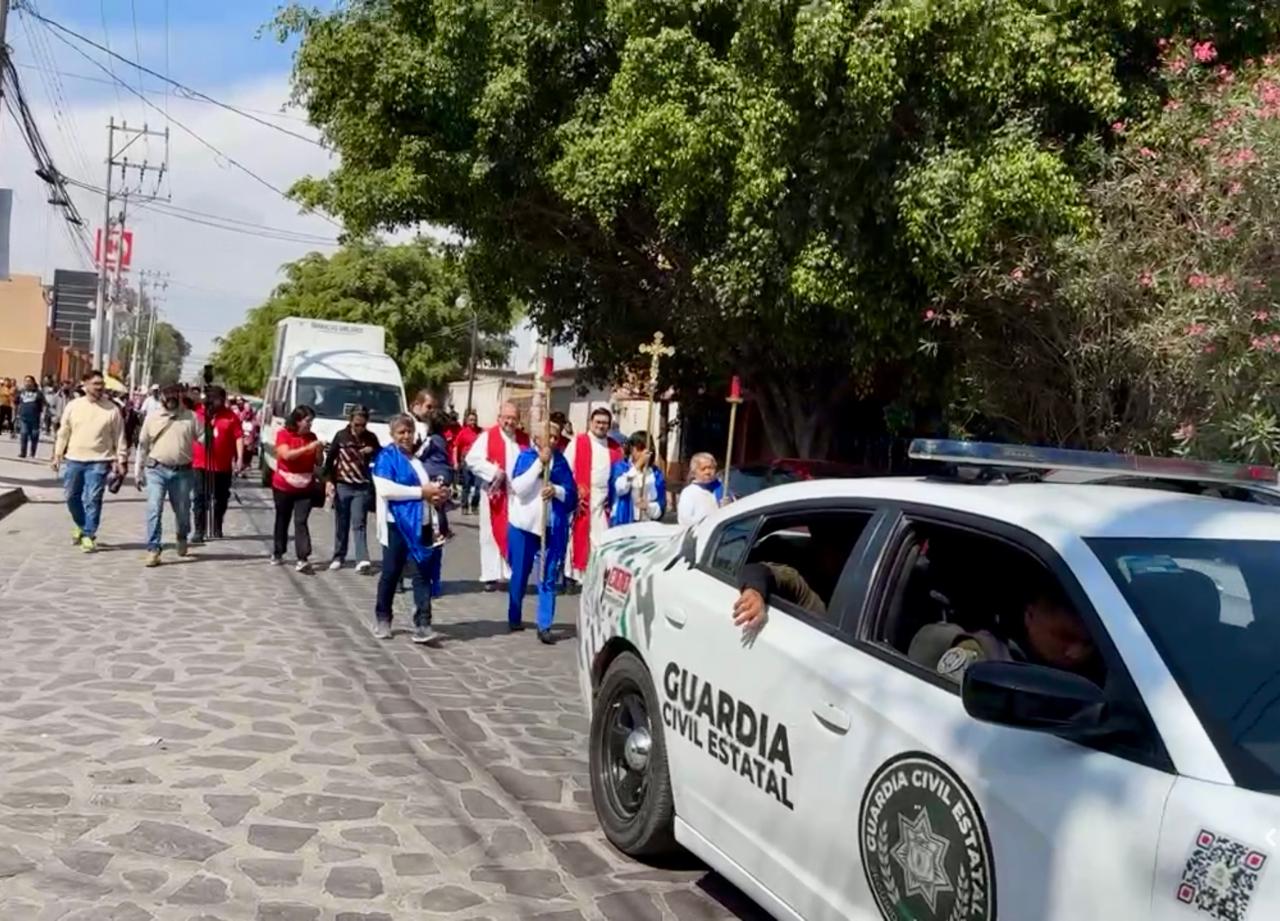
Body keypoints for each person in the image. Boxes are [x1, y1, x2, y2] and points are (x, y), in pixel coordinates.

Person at [908, 586, 1102, 684]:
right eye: (1064, 637)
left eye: (1087, 643)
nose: (1076, 652)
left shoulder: (1111, 667)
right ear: (1030, 616)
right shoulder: (988, 658)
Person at [371, 413, 449, 642]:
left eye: (409, 432)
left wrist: (436, 495)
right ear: (392, 434)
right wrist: (420, 493)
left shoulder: (417, 461)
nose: (406, 436)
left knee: (422, 574)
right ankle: (383, 617)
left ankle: (423, 623)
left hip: (421, 524)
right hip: (396, 525)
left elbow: (428, 488)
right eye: (401, 432)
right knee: (391, 573)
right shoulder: (386, 457)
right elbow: (385, 489)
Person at [507, 432, 577, 643]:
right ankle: (514, 613)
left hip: (551, 528)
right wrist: (540, 463)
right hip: (524, 526)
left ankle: (544, 625)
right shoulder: (526, 457)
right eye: (549, 436)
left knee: (548, 575)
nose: (553, 441)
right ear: (537, 438)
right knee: (520, 572)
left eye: (556, 437)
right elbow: (519, 488)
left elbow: (571, 494)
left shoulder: (561, 462)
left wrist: (555, 490)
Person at [51, 369, 128, 552]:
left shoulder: (112, 409)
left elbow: (119, 437)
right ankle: (81, 523)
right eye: (95, 384)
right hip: (74, 459)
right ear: (84, 385)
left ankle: (89, 534)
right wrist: (57, 455)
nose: (100, 388)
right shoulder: (73, 406)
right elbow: (64, 432)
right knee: (71, 496)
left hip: (99, 461)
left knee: (93, 498)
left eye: (101, 384)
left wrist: (121, 459)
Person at [465, 401, 529, 590]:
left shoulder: (524, 439)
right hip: (495, 493)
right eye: (506, 417)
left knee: (515, 533)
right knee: (490, 534)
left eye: (513, 418)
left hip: (517, 496)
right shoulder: (487, 437)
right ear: (499, 418)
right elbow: (472, 459)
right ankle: (490, 575)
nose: (510, 422)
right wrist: (493, 471)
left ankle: (511, 572)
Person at [135, 382, 200, 567]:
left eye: (175, 394)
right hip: (156, 470)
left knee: (182, 511)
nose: (171, 398)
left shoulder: (191, 418)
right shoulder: (152, 418)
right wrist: (138, 472)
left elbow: (205, 439)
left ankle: (182, 536)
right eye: (167, 395)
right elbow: (142, 446)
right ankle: (154, 549)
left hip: (183, 472)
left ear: (180, 396)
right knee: (154, 507)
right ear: (161, 397)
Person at [568, 407, 624, 584]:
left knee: (601, 538)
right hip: (582, 496)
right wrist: (573, 491)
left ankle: (596, 576)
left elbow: (620, 472)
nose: (601, 426)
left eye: (605, 423)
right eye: (598, 422)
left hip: (603, 498)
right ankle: (574, 575)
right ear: (591, 423)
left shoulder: (615, 447)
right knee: (578, 535)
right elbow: (567, 468)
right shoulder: (579, 442)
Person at [322, 406, 380, 572]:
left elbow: (381, 455)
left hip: (361, 486)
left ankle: (362, 559)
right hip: (342, 485)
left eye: (363, 425)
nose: (359, 429)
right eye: (356, 425)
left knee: (359, 522)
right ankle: (338, 556)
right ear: (350, 422)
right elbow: (330, 460)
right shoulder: (341, 436)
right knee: (342, 522)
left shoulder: (370, 438)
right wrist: (329, 481)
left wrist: (372, 451)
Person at [271, 405, 324, 572]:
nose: (310, 425)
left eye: (311, 422)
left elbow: (319, 462)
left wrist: (318, 451)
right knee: (282, 519)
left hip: (305, 486)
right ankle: (278, 551)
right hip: (284, 485)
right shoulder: (283, 434)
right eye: (308, 421)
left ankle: (303, 557)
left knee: (301, 521)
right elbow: (286, 455)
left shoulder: (312, 437)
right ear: (298, 421)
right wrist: (307, 448)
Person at [192, 386, 244, 542]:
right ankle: (199, 530)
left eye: (220, 400)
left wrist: (239, 458)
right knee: (200, 497)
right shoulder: (197, 412)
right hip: (200, 464)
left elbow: (238, 437)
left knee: (221, 498)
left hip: (222, 466)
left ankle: (216, 523)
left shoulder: (230, 416)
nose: (216, 403)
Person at [608, 430, 666, 525]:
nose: (643, 453)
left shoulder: (655, 474)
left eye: (645, 449)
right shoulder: (621, 468)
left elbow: (660, 505)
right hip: (624, 522)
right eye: (639, 449)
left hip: (646, 523)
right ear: (631, 449)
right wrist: (637, 466)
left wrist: (648, 507)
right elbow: (620, 489)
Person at [677, 452, 725, 527]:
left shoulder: (722, 488)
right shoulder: (689, 492)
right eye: (703, 469)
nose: (708, 472)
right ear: (694, 472)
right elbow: (684, 520)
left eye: (711, 468)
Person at [453, 409, 482, 515]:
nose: (473, 422)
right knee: (467, 485)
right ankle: (464, 506)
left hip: (478, 461)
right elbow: (456, 447)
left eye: (474, 420)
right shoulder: (463, 432)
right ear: (467, 421)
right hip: (466, 461)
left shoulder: (480, 432)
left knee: (478, 486)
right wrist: (455, 461)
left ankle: (475, 505)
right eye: (470, 420)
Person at [15, 376, 47, 460]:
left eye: (29, 381)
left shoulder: (38, 393)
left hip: (35, 418)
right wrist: (16, 415)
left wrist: (43, 415)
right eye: (25, 381)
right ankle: (23, 452)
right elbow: (16, 403)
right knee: (24, 434)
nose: (27, 383)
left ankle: (33, 452)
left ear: (33, 382)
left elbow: (44, 404)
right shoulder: (21, 392)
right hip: (23, 418)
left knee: (34, 435)